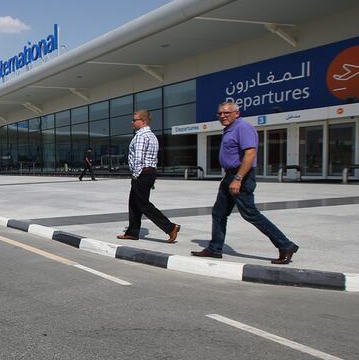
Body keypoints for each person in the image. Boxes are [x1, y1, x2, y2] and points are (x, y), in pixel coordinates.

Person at [191, 102, 299, 264]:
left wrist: (238, 179)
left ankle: (285, 245)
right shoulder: (229, 129)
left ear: (237, 113)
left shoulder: (243, 127)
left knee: (250, 213)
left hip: (241, 176)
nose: (222, 116)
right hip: (230, 176)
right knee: (219, 213)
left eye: (226, 113)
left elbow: (250, 154)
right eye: (220, 113)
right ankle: (215, 248)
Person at [117, 110, 180, 243]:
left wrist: (135, 175)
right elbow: (154, 159)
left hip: (141, 174)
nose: (132, 122)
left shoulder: (140, 136)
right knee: (134, 203)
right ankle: (132, 232)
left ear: (143, 121)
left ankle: (170, 227)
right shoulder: (152, 136)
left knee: (143, 204)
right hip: (149, 172)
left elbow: (138, 158)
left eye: (135, 120)